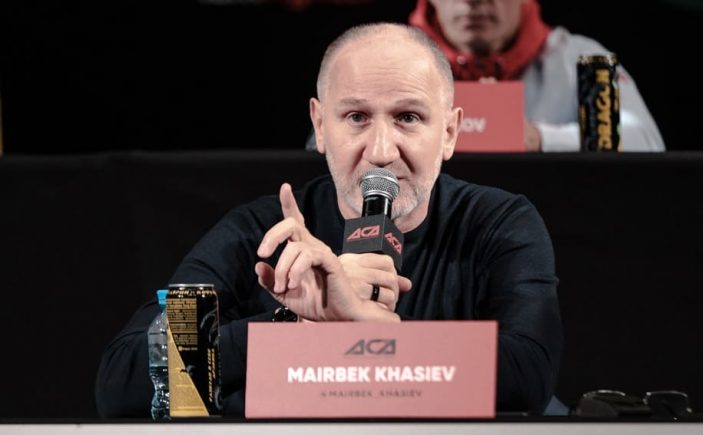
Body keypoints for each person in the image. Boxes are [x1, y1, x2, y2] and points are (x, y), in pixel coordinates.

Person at [95, 22, 563, 417]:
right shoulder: (260, 232)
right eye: (357, 117)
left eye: (408, 117)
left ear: (449, 132)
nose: (381, 151)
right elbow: (122, 382)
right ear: (320, 126)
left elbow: (528, 377)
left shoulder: (499, 223)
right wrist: (297, 325)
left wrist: (368, 328)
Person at [409, 0, 665, 152]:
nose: (472, 2)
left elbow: (645, 141)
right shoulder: (396, 60)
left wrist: (540, 138)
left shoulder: (579, 57)